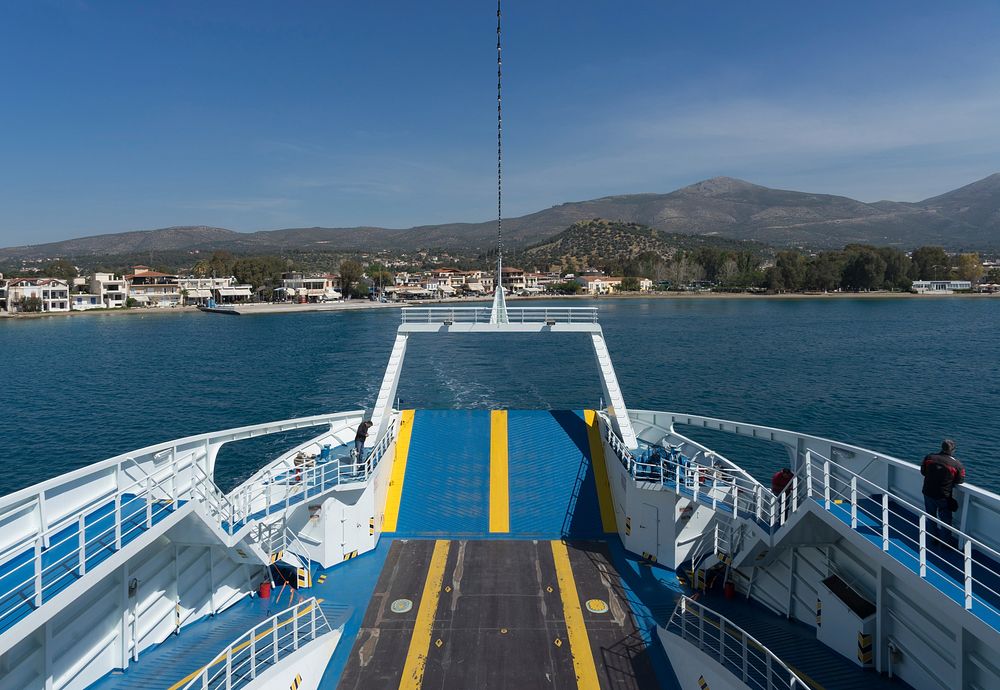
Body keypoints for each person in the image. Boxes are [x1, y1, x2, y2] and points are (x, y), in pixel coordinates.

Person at [921, 439, 965, 547]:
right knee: (946, 520)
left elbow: (923, 472)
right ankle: (945, 543)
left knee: (930, 516)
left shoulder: (929, 457)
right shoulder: (957, 464)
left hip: (928, 492)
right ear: (953, 450)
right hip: (943, 496)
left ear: (941, 447)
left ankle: (933, 539)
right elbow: (960, 480)